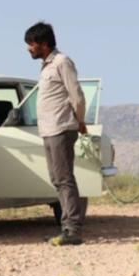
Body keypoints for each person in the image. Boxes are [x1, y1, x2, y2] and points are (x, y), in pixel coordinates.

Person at [24, 21, 87, 246]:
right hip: (49, 130)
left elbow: (76, 95)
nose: (29, 48)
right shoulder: (46, 66)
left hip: (62, 128)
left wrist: (80, 121)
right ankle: (67, 227)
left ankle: (73, 229)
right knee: (57, 179)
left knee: (64, 178)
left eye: (31, 44)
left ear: (44, 43)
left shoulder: (62, 62)